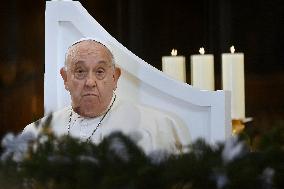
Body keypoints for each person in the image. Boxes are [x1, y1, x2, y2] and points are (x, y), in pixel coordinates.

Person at [24, 38, 190, 154]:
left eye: (100, 71)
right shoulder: (37, 135)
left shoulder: (156, 128)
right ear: (65, 78)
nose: (90, 82)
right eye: (80, 71)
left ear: (115, 77)